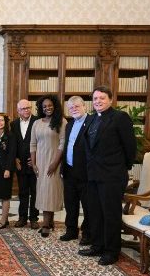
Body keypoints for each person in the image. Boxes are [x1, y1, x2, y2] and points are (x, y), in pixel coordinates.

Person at [78, 86, 136, 266]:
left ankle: (111, 251)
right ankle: (97, 245)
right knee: (95, 212)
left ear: (111, 99)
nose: (98, 101)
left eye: (102, 98)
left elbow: (130, 147)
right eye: (95, 99)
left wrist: (121, 169)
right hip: (93, 175)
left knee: (110, 214)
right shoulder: (92, 119)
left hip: (112, 175)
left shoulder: (119, 118)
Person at [30, 95, 66, 238]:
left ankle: (45, 225)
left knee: (50, 191)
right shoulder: (37, 123)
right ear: (41, 108)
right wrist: (33, 163)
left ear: (55, 106)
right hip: (40, 162)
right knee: (43, 191)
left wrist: (55, 163)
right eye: (44, 106)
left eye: (50, 105)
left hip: (54, 162)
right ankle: (50, 222)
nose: (47, 108)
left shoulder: (62, 122)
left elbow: (63, 144)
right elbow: (33, 144)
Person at [60, 96, 91, 245]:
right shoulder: (69, 125)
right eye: (71, 108)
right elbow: (67, 147)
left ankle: (87, 233)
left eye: (77, 106)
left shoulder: (92, 122)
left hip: (85, 172)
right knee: (70, 203)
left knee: (87, 205)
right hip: (69, 170)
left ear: (84, 106)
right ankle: (71, 230)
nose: (74, 109)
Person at [10, 99, 40, 230]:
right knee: (22, 192)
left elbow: (42, 142)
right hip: (20, 164)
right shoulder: (13, 124)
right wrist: (15, 159)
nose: (26, 110)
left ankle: (34, 218)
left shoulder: (38, 122)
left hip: (35, 163)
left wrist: (36, 158)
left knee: (35, 191)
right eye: (23, 109)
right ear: (18, 111)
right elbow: (12, 143)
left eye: (28, 107)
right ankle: (22, 217)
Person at [0, 113, 16, 229]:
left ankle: (3, 220)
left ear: (6, 122)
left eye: (1, 120)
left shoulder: (10, 136)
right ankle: (4, 219)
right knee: (1, 194)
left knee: (5, 194)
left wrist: (8, 169)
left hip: (5, 167)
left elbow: (12, 154)